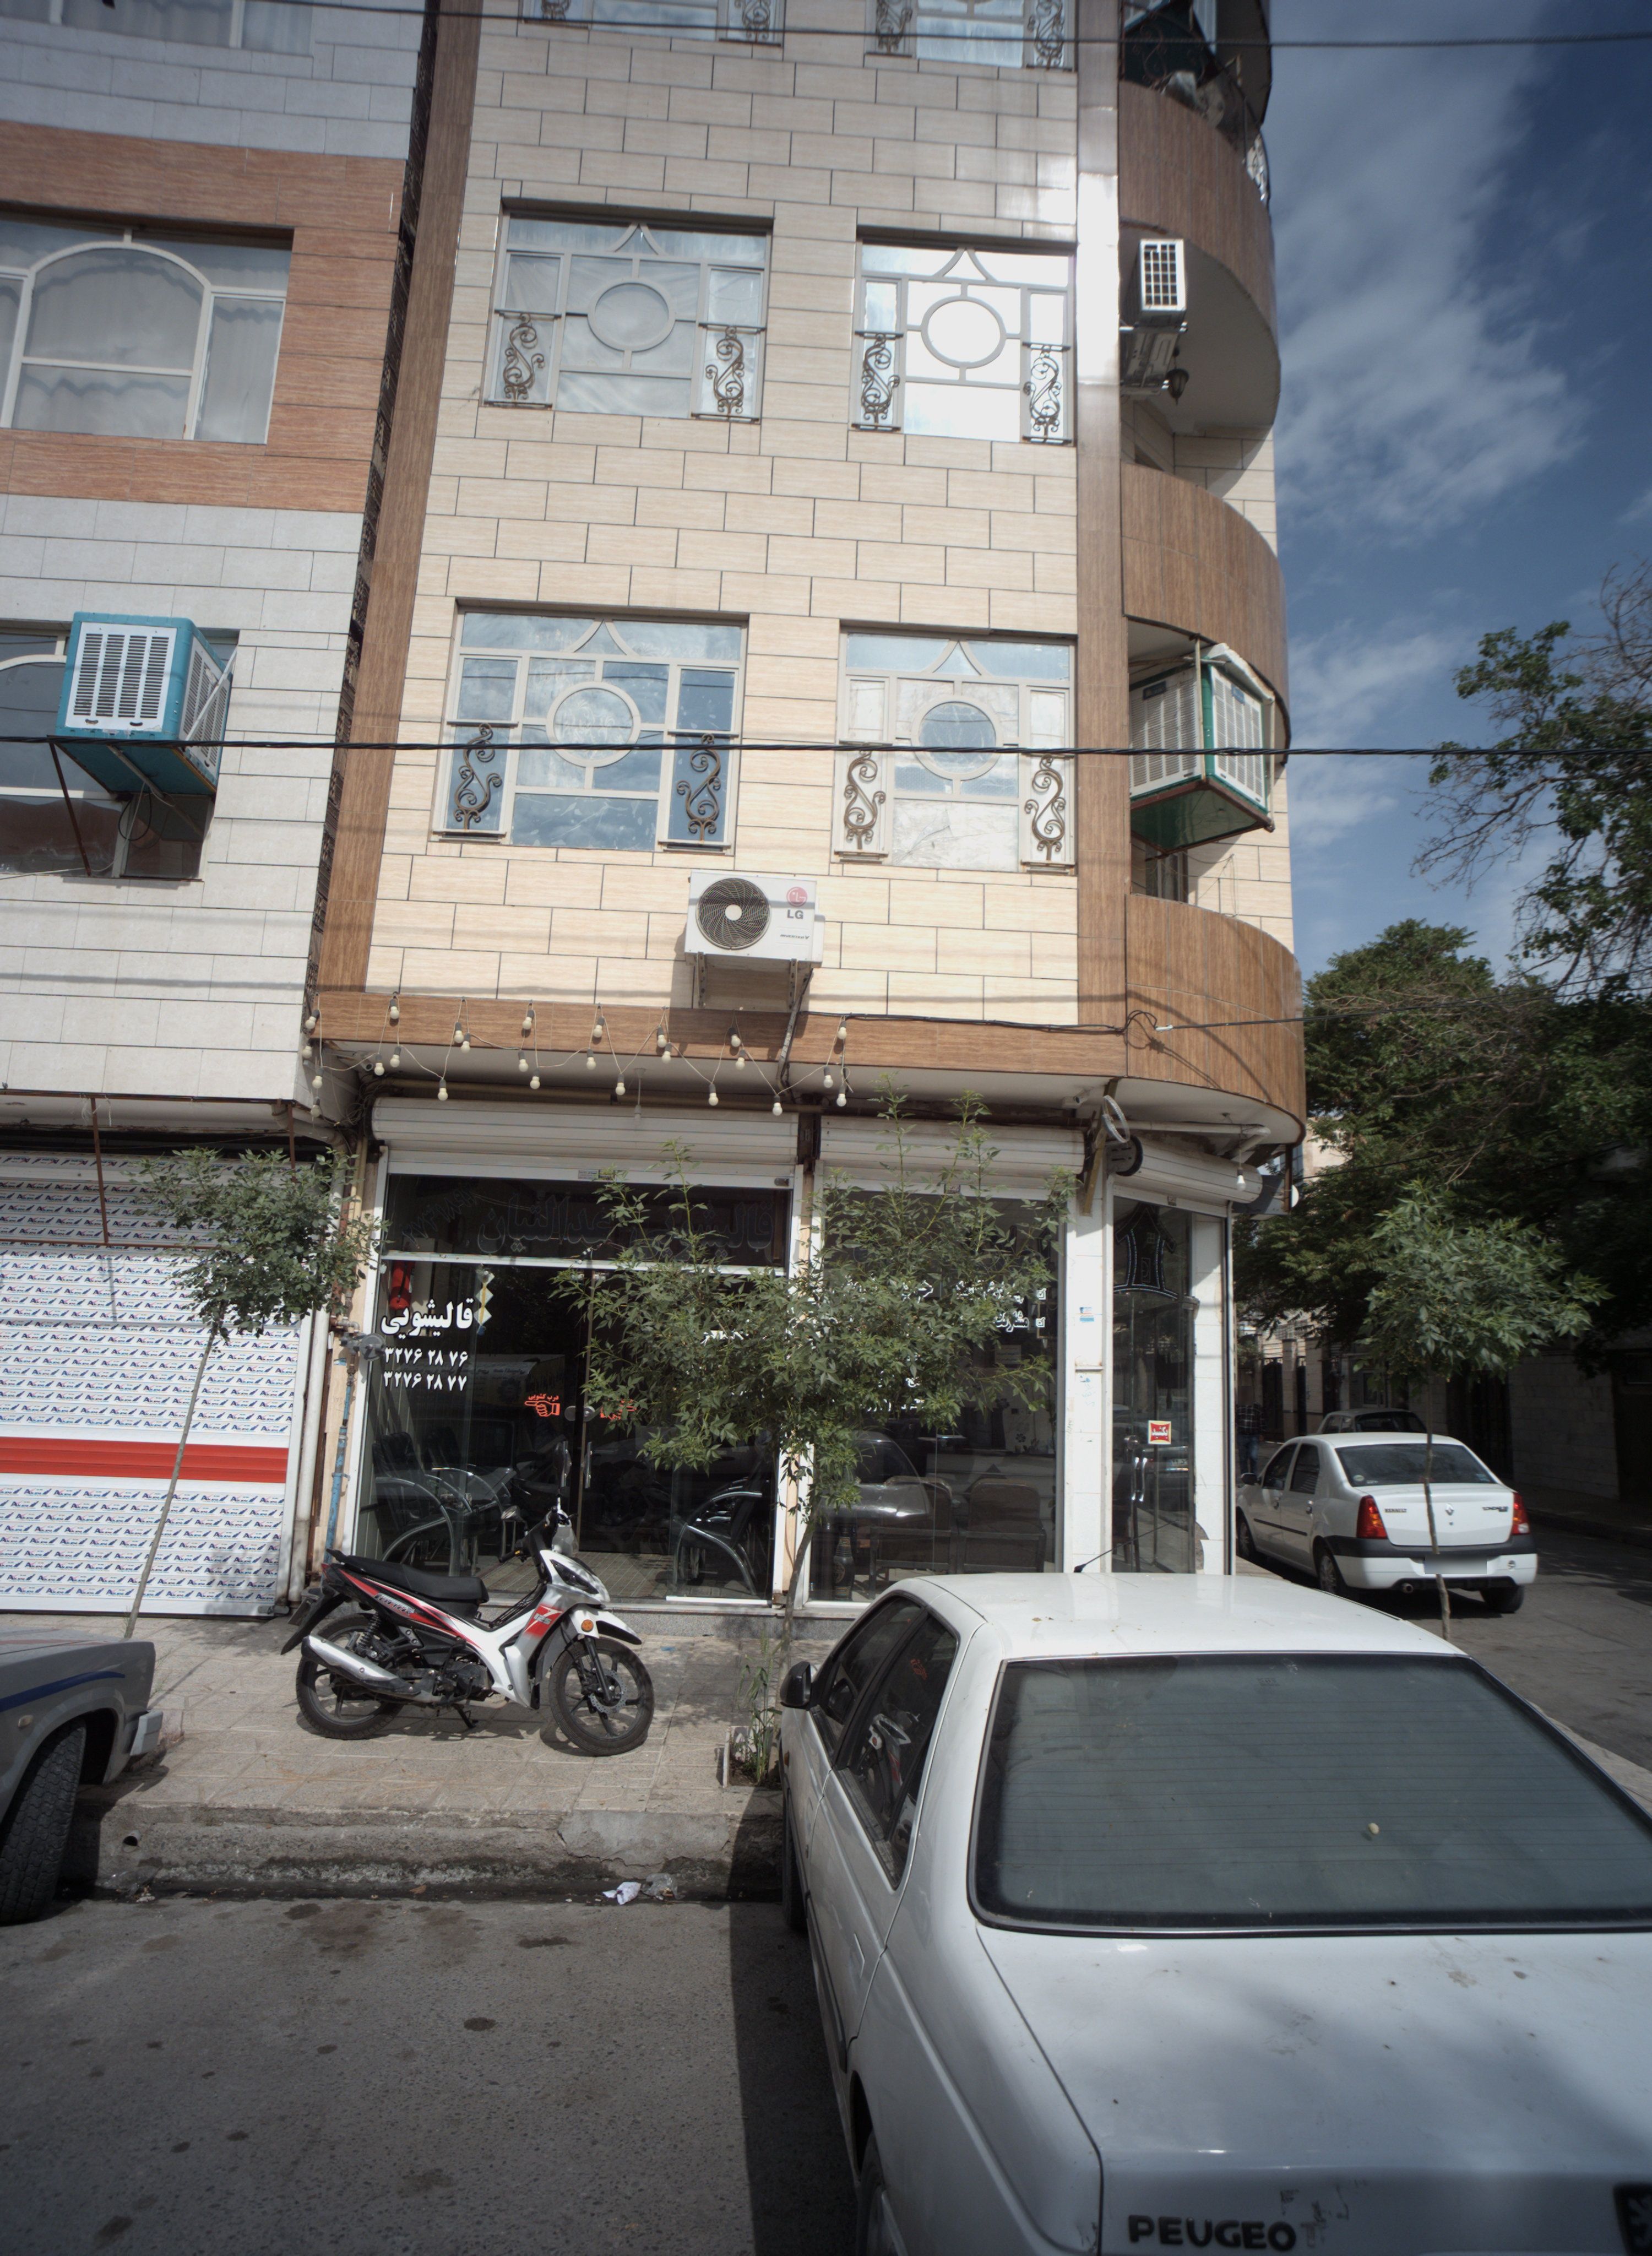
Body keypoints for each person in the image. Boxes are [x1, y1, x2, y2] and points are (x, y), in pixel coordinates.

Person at [1236, 1400, 1264, 1480]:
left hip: (1253, 1436)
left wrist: (1262, 1433)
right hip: (1242, 1435)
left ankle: (1253, 1477)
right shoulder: (1239, 1407)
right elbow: (1235, 1421)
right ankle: (1244, 1477)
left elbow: (1261, 1421)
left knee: (1253, 1457)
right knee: (1243, 1458)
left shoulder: (1257, 1407)